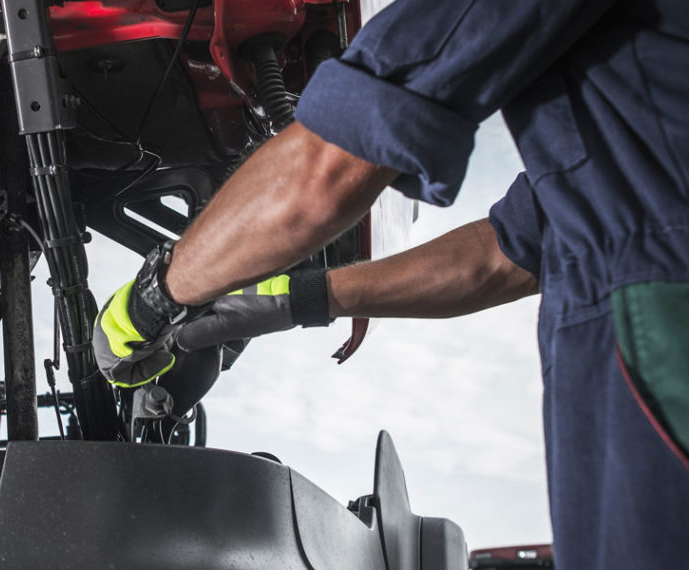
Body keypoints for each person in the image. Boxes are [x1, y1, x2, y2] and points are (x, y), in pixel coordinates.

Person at [91, 1, 689, 568]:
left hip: (664, 332)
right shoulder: (630, 137)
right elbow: (505, 254)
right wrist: (301, 299)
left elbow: (327, 166)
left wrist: (152, 299)